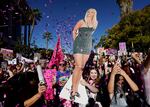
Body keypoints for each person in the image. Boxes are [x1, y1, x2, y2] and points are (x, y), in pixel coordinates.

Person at [71, 8, 98, 100]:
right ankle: (73, 90)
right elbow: (74, 31)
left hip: (88, 46)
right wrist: (75, 41)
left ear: (95, 14)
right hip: (78, 44)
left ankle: (76, 88)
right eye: (89, 12)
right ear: (87, 13)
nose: (91, 13)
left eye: (93, 12)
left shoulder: (95, 24)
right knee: (78, 66)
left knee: (82, 67)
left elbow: (90, 35)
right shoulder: (81, 21)